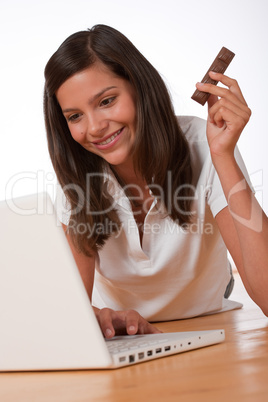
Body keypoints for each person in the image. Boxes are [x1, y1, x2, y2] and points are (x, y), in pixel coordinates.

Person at [44, 24, 268, 339]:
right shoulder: (77, 173)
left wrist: (223, 155)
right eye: (75, 116)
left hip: (207, 318)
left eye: (106, 101)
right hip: (127, 337)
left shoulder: (204, 143)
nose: (94, 128)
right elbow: (71, 309)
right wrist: (97, 315)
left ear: (140, 87)